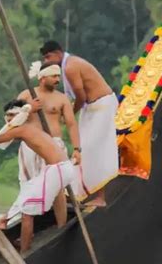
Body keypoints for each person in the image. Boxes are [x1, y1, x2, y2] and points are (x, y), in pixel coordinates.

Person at [39, 40, 118, 206]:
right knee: (80, 149)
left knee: (92, 148)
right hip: (90, 108)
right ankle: (78, 193)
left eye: (48, 57)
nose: (47, 61)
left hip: (101, 105)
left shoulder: (70, 66)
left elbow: (80, 97)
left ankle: (100, 197)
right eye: (44, 59)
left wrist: (68, 114)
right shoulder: (65, 67)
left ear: (59, 53)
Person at [0, 102, 76, 252]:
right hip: (61, 169)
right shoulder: (28, 129)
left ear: (21, 117)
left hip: (58, 170)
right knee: (28, 198)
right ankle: (7, 219)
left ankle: (24, 251)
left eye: (13, 117)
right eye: (8, 117)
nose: (9, 120)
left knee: (28, 213)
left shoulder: (22, 130)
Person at [17, 62, 82, 222]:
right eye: (54, 76)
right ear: (42, 77)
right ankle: (28, 224)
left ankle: (61, 225)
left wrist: (77, 148)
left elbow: (71, 124)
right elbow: (11, 118)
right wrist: (28, 108)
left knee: (58, 187)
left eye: (59, 76)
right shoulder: (26, 95)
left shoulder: (62, 98)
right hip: (31, 146)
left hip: (54, 146)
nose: (57, 79)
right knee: (30, 185)